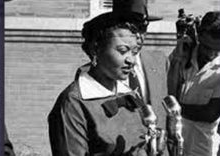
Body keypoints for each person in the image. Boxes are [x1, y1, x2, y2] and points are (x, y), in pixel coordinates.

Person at [47, 0, 170, 155]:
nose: (131, 60)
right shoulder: (73, 104)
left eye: (133, 52)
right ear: (96, 49)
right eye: (122, 50)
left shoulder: (129, 94)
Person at [167, 11, 220, 156]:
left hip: (204, 148)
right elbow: (170, 91)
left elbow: (210, 113)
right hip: (174, 144)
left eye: (217, 50)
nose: (211, 55)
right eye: (207, 47)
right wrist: (177, 61)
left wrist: (173, 110)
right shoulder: (182, 56)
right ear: (199, 36)